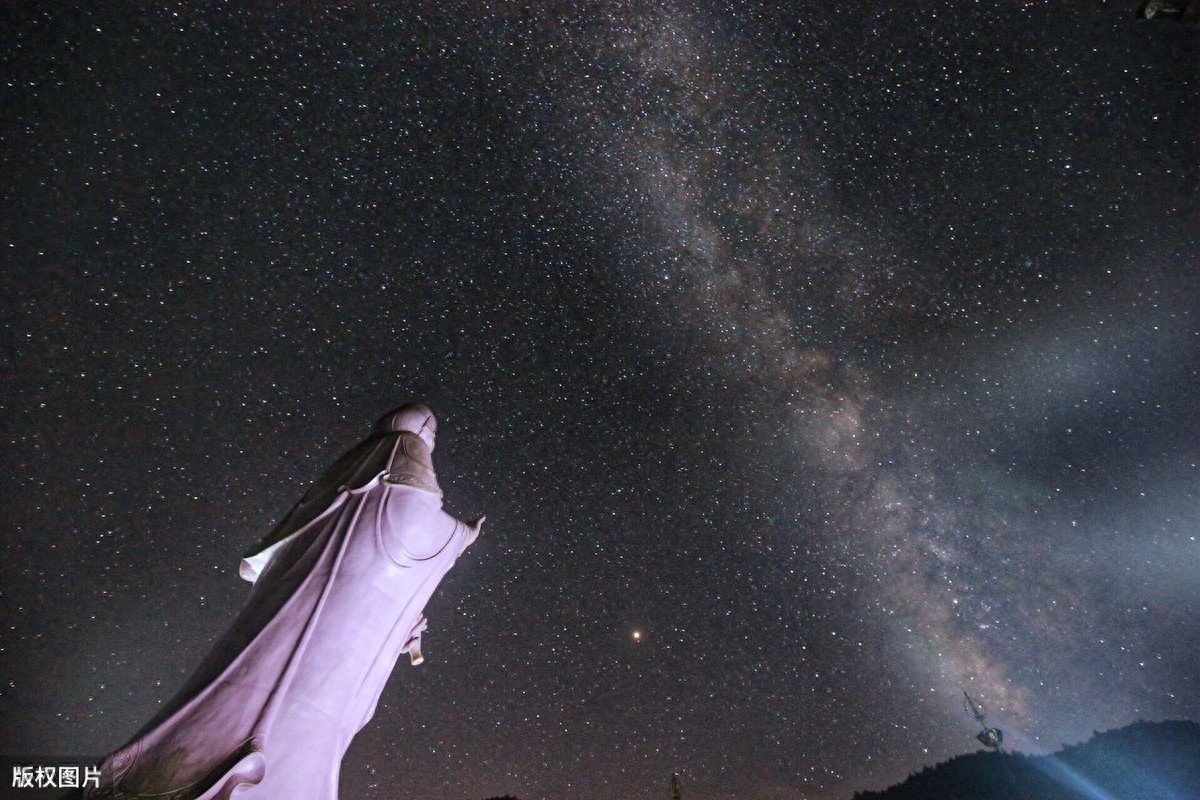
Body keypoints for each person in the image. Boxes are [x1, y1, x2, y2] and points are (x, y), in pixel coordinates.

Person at [80, 404, 483, 800]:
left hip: (288, 645)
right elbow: (421, 525)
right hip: (311, 665)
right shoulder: (403, 486)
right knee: (286, 733)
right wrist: (461, 535)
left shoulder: (327, 493)